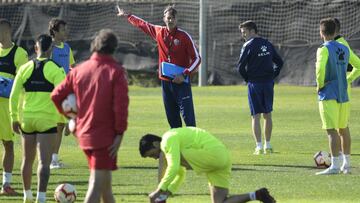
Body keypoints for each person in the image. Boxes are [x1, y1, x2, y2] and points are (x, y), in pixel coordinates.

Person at [51, 29, 129, 203]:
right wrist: (120, 133)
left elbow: (56, 95)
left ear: (94, 46)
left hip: (85, 135)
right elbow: (121, 107)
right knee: (95, 187)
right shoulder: (115, 71)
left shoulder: (79, 70)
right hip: (104, 139)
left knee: (106, 189)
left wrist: (72, 119)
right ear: (114, 48)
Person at [139, 127, 276, 203]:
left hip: (212, 154)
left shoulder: (167, 139)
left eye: (152, 154)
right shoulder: (173, 142)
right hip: (222, 158)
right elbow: (180, 172)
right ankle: (257, 195)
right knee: (220, 202)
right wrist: (167, 193)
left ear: (156, 144)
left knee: (166, 157)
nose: (154, 158)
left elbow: (174, 167)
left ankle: (160, 197)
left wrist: (158, 192)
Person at [117, 5, 201, 128]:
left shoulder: (184, 36)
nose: (170, 20)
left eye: (173, 18)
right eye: (168, 18)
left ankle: (194, 144)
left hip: (181, 83)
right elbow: (143, 24)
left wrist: (184, 74)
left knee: (189, 120)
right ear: (164, 18)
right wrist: (128, 16)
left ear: (177, 19)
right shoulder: (159, 32)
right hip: (166, 83)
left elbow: (197, 59)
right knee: (172, 120)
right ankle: (177, 145)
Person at [9, 34, 65, 203]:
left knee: (27, 160)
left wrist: (14, 118)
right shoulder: (56, 69)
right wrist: (64, 120)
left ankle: (27, 195)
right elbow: (63, 97)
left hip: (27, 120)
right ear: (51, 50)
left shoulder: (24, 68)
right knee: (44, 162)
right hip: (46, 121)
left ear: (36, 48)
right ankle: (41, 198)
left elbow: (13, 96)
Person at [236, 21, 283, 155]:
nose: (243, 36)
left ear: (252, 31)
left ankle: (258, 146)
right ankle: (268, 145)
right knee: (267, 115)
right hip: (268, 83)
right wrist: (273, 74)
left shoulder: (248, 45)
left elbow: (240, 67)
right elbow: (279, 62)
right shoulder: (267, 43)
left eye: (244, 32)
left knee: (255, 116)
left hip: (254, 84)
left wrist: (248, 78)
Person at [315, 18, 350, 175]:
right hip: (343, 93)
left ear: (321, 32)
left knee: (331, 131)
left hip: (329, 93)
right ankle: (346, 164)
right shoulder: (344, 48)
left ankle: (335, 166)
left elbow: (320, 70)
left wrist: (319, 85)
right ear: (336, 32)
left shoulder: (323, 49)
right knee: (343, 128)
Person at [0, 18, 28, 195]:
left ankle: (6, 186)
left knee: (8, 144)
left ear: (7, 31)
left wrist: (3, 84)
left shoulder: (20, 53)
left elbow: (22, 82)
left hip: (6, 107)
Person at [48, 18, 76, 169]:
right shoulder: (49, 48)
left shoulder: (67, 47)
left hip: (64, 92)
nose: (66, 32)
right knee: (51, 127)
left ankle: (54, 159)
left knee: (59, 125)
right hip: (51, 93)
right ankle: (48, 159)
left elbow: (71, 67)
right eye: (63, 29)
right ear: (55, 31)